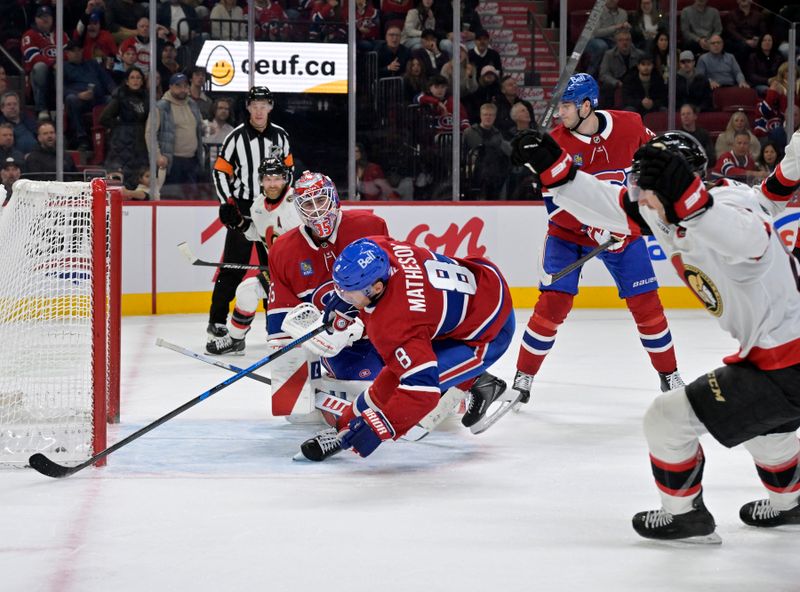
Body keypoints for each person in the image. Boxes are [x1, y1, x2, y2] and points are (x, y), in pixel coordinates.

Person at [509, 127, 800, 543]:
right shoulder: (669, 209)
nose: (638, 197)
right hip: (779, 359)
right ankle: (791, 502)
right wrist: (557, 170)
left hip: (787, 363)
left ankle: (685, 518)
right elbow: (611, 206)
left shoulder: (728, 206)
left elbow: (750, 239)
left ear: (680, 186)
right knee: (766, 426)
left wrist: (693, 202)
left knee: (668, 420)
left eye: (647, 188)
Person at [512, 73, 683, 406]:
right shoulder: (555, 144)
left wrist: (638, 213)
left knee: (647, 306)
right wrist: (594, 229)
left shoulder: (631, 125)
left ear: (587, 106)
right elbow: (554, 205)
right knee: (552, 305)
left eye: (566, 105)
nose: (559, 112)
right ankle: (523, 377)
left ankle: (670, 375)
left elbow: (654, 166)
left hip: (623, 233)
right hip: (569, 236)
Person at [296, 235, 517, 461]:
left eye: (348, 291)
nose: (341, 294)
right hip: (484, 279)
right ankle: (340, 428)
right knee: (400, 369)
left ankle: (482, 381)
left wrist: (382, 426)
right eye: (340, 288)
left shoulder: (394, 324)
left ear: (377, 287)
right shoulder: (378, 247)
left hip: (489, 331)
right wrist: (347, 300)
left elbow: (423, 390)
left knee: (401, 380)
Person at [264, 171, 391, 420]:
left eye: (321, 201)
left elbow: (395, 284)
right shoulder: (283, 250)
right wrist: (293, 371)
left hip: (386, 331)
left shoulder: (370, 227)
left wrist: (364, 323)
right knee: (373, 392)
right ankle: (327, 391)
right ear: (299, 209)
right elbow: (281, 323)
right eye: (309, 204)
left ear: (334, 198)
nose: (317, 211)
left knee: (420, 375)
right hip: (344, 349)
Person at [208, 86, 293, 342]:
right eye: (254, 105)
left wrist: (286, 203)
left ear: (270, 107)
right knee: (233, 266)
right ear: (248, 107)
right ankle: (217, 321)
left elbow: (289, 172)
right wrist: (227, 203)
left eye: (263, 105)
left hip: (272, 207)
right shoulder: (235, 137)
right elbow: (220, 170)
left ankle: (274, 321)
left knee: (274, 268)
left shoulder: (281, 136)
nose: (258, 110)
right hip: (244, 207)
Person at [205, 158, 301, 354]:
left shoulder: (297, 203)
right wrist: (239, 223)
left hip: (304, 274)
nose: (273, 184)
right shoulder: (258, 206)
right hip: (280, 276)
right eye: (268, 178)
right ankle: (235, 339)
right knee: (246, 290)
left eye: (277, 178)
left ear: (286, 179)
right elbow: (258, 234)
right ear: (260, 181)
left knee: (291, 338)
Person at [145, 72, 204, 192]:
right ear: (170, 87)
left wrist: (207, 128)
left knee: (191, 201)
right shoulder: (161, 107)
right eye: (178, 86)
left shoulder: (192, 104)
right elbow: (150, 134)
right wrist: (157, 155)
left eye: (185, 86)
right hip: (172, 162)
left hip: (192, 161)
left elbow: (200, 127)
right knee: (171, 199)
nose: (182, 89)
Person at [63, 40, 116, 151]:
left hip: (98, 99)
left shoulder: (92, 64)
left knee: (114, 100)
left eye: (79, 50)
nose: (77, 53)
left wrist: (115, 92)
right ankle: (81, 138)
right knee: (71, 99)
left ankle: (113, 136)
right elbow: (60, 89)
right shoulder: (64, 67)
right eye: (73, 51)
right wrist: (78, 95)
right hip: (79, 101)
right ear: (67, 53)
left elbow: (107, 81)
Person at [100, 66, 148, 184]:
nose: (135, 80)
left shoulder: (147, 98)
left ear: (142, 81)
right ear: (127, 81)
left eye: (138, 78)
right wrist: (120, 127)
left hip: (141, 141)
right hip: (122, 142)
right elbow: (104, 118)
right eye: (132, 78)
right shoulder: (120, 97)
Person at [21, 5, 70, 120]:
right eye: (41, 17)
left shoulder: (60, 34)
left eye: (47, 16)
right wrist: (52, 63)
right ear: (35, 19)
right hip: (37, 76)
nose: (45, 19)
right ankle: (41, 108)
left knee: (65, 67)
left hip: (58, 70)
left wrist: (58, 64)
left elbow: (69, 52)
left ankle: (62, 107)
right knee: (40, 67)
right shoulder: (29, 35)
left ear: (52, 19)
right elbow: (32, 56)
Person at [462, 103, 511, 199]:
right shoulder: (469, 132)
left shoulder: (498, 134)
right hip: (473, 168)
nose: (488, 117)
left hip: (494, 170)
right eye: (485, 115)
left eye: (491, 115)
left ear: (495, 117)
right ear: (480, 116)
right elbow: (462, 153)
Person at [584, 0, 630, 78]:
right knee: (602, 46)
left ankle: (621, 77)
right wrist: (616, 27)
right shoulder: (597, 12)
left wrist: (627, 29)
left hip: (614, 40)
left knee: (625, 45)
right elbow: (596, 33)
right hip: (595, 40)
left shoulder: (623, 13)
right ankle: (590, 75)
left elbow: (622, 32)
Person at [598, 29, 644, 108]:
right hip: (616, 84)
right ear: (616, 42)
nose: (624, 43)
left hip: (634, 86)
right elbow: (603, 74)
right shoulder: (609, 55)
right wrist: (616, 82)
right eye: (621, 40)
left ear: (631, 41)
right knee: (606, 87)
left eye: (627, 40)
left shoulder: (640, 55)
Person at [678, 102, 715, 168]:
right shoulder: (678, 135)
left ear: (695, 116)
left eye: (688, 113)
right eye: (683, 114)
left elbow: (711, 157)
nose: (685, 116)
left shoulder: (704, 134)